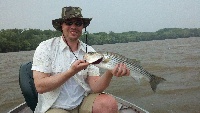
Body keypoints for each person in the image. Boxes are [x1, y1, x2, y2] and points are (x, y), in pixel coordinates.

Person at [32, 6, 130, 113]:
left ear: (82, 27)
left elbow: (96, 87)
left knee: (108, 103)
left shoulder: (90, 52)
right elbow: (40, 87)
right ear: (62, 26)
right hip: (55, 106)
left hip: (83, 101)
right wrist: (71, 72)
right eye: (69, 22)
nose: (73, 26)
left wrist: (110, 71)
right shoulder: (46, 47)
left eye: (78, 23)